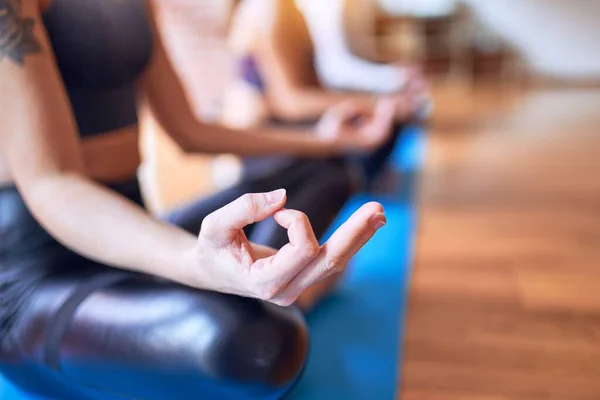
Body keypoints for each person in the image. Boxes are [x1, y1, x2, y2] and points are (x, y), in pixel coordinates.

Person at [0, 0, 397, 399]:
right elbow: (54, 184)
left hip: (128, 229)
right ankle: (273, 289)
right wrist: (196, 260)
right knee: (259, 344)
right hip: (39, 271)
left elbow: (189, 131)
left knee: (322, 170)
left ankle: (269, 280)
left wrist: (325, 141)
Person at [223, 0, 430, 194]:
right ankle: (355, 182)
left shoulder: (290, 11)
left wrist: (384, 95)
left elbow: (320, 83)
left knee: (388, 116)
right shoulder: (270, 15)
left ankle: (360, 180)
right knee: (384, 120)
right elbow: (290, 102)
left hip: (289, 123)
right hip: (269, 140)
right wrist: (376, 104)